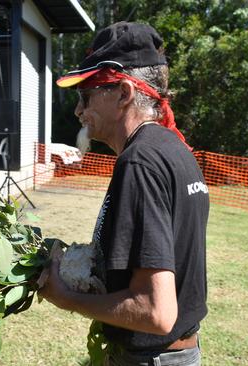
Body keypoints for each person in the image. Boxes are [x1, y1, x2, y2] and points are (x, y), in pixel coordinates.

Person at [39, 22, 209, 366]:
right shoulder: (172, 149)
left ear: (124, 93)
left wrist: (65, 296)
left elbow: (155, 312)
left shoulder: (139, 161)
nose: (78, 110)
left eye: (86, 95)